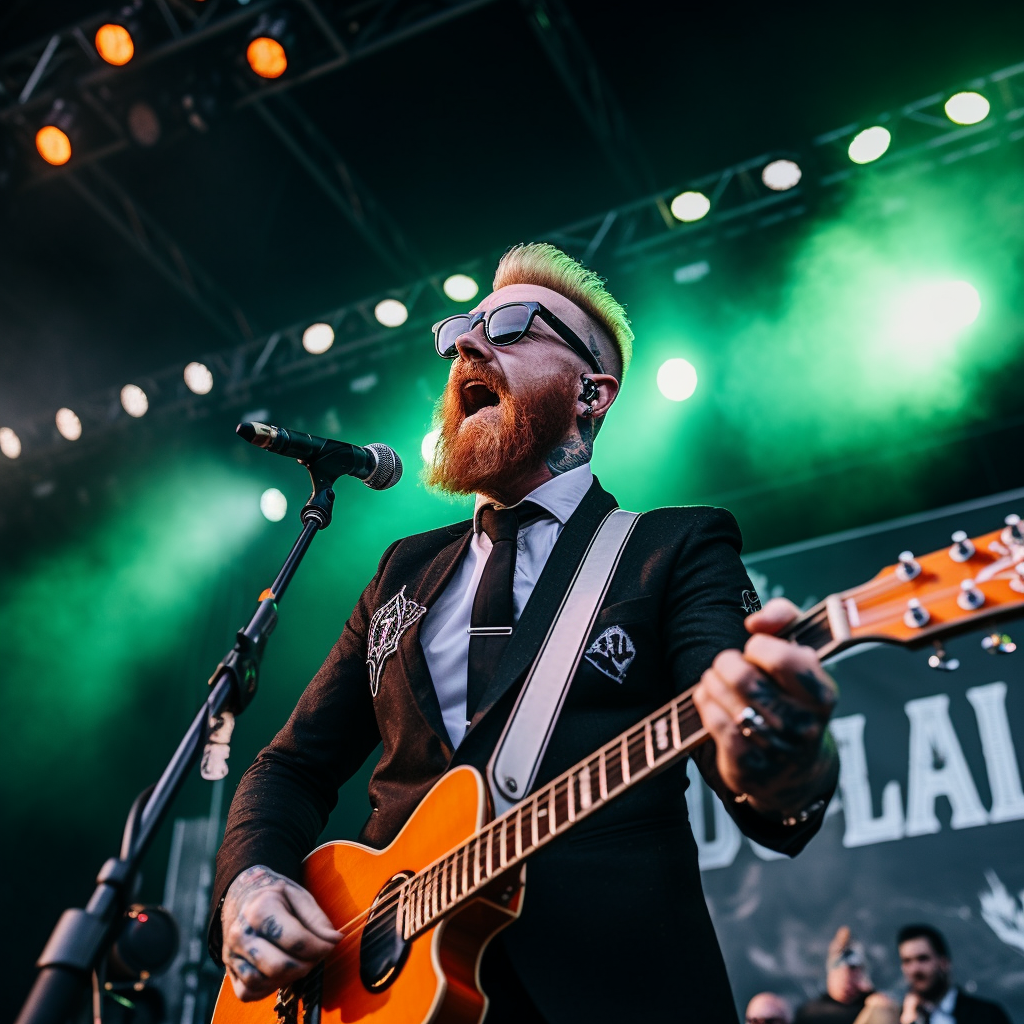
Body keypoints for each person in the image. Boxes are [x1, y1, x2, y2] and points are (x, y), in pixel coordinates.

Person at [210, 242, 841, 1022]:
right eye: (462, 331)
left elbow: (744, 744)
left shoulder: (672, 549)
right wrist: (251, 881)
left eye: (511, 327)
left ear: (592, 392)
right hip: (380, 995)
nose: (468, 344)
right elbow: (289, 767)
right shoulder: (402, 570)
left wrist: (784, 754)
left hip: (612, 993)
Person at [897, 924, 1012, 1024]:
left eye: (923, 959)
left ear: (944, 963)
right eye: (907, 961)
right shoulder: (898, 1018)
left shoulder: (987, 1015)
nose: (915, 969)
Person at [796, 927, 898, 1024]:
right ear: (830, 975)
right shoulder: (810, 1013)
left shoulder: (875, 1004)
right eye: (840, 972)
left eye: (853, 971)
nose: (846, 978)